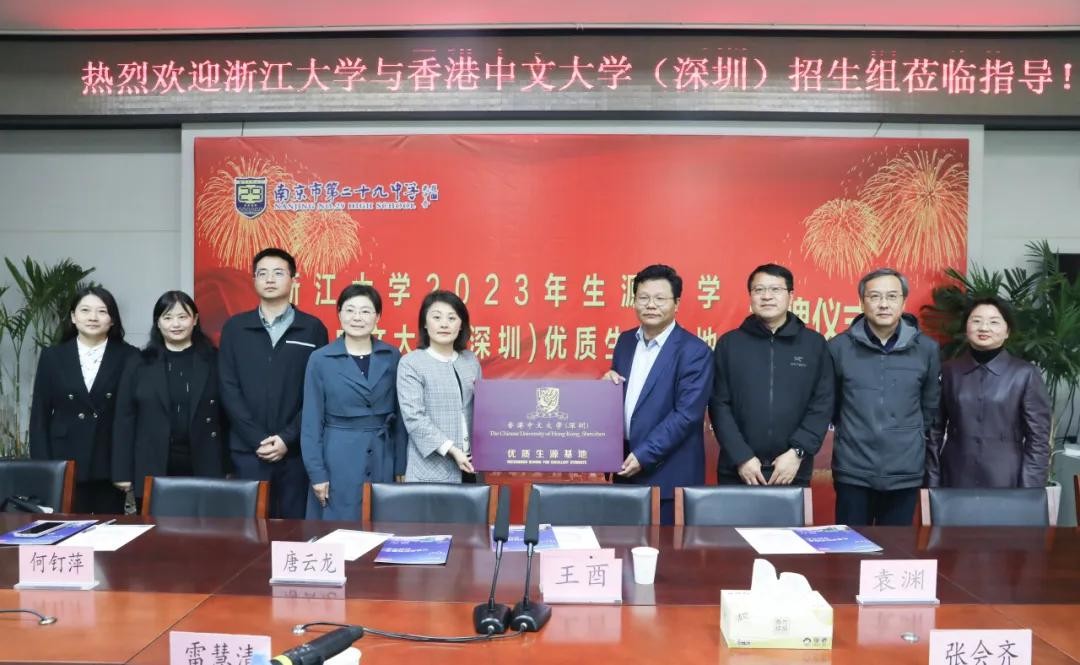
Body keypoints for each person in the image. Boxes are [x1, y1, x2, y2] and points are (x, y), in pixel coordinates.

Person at [218, 248, 328, 518]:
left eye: (278, 273)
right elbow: (228, 388)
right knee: (249, 530)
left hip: (296, 452)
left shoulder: (312, 328)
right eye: (262, 273)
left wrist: (287, 438)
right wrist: (257, 439)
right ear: (254, 280)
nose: (269, 279)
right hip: (247, 451)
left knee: (294, 529)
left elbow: (317, 394)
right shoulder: (235, 328)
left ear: (293, 279)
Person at [830, 268, 940, 526]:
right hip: (853, 469)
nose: (883, 304)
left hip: (904, 470)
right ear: (862, 302)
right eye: (875, 296)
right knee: (850, 544)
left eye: (892, 296)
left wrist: (906, 434)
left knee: (896, 546)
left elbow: (929, 406)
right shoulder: (838, 347)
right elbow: (832, 405)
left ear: (903, 301)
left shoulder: (927, 349)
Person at [605, 264, 713, 524]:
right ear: (634, 301)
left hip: (668, 476)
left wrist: (643, 455)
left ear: (677, 303)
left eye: (660, 298)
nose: (650, 305)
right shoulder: (625, 342)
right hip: (624, 470)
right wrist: (606, 389)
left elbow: (686, 416)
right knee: (621, 545)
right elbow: (622, 401)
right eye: (643, 297)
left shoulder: (695, 351)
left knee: (664, 549)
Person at [709, 264, 834, 487]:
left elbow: (823, 403)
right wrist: (742, 457)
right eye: (759, 290)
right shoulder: (730, 344)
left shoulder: (814, 344)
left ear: (791, 296)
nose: (767, 296)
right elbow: (719, 404)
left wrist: (797, 452)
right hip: (738, 468)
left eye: (775, 289)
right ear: (750, 296)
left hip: (791, 468)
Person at [112, 291, 228, 510]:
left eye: (182, 317)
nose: (176, 324)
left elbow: (227, 417)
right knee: (155, 528)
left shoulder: (214, 360)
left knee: (206, 527)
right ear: (158, 322)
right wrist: (122, 472)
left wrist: (229, 466)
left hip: (205, 463)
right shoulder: (139, 363)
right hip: (153, 463)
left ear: (195, 319)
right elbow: (124, 419)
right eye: (167, 317)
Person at [301, 284, 406, 519]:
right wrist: (317, 473)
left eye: (366, 311)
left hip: (383, 456)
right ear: (339, 314)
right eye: (350, 310)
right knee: (339, 527)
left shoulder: (392, 356)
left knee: (382, 525)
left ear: (377, 317)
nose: (357, 317)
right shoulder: (320, 359)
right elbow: (311, 423)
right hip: (338, 457)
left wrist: (400, 466)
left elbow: (401, 419)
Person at [29, 285, 137, 513]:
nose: (93, 317)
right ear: (73, 317)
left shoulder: (130, 356)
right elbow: (39, 417)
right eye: (85, 310)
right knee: (63, 529)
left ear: (112, 319)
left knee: (108, 530)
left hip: (108, 462)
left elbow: (134, 417)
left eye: (102, 311)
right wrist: (42, 469)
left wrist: (126, 468)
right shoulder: (53, 357)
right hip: (63, 459)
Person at [928, 297, 1051, 488]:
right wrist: (932, 482)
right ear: (966, 327)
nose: (984, 328)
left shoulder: (1025, 374)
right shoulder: (948, 371)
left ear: (1007, 331)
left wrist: (1030, 490)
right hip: (955, 476)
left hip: (1006, 478)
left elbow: (1038, 439)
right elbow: (934, 431)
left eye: (994, 322)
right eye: (976, 320)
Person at [397, 290, 481, 483]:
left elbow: (482, 410)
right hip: (431, 469)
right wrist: (452, 449)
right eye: (437, 317)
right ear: (425, 324)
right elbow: (414, 418)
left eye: (452, 318)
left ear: (461, 325)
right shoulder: (411, 363)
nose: (444, 324)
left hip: (472, 466)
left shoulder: (470, 361)